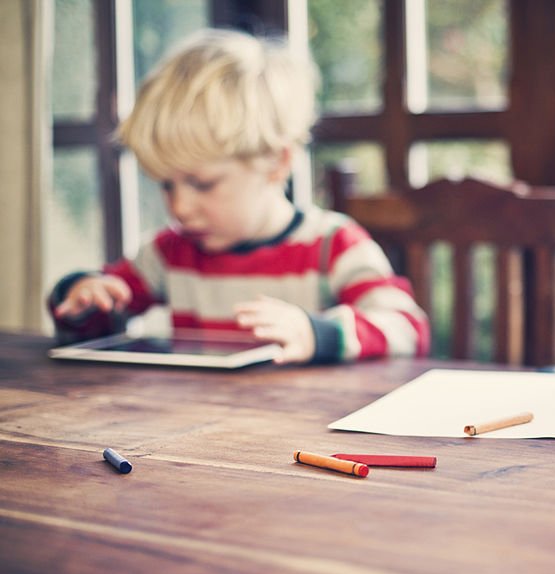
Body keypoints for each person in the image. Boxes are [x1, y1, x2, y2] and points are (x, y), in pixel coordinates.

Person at [49, 29, 429, 364]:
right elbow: (93, 323)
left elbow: (409, 328)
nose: (179, 207)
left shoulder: (334, 246)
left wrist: (318, 333)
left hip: (302, 434)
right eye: (166, 185)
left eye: (202, 184)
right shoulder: (169, 254)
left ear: (277, 162)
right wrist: (84, 295)